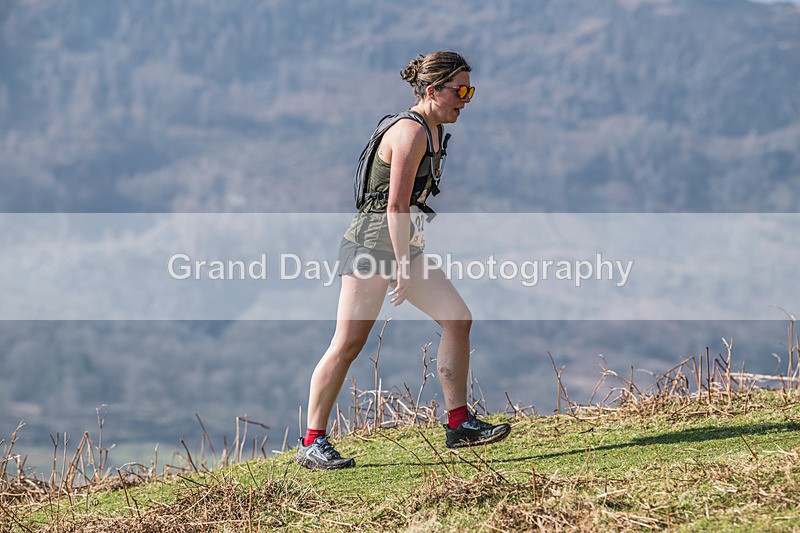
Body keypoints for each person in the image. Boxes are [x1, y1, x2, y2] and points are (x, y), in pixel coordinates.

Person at [295, 51, 511, 471]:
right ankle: (312, 443)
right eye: (460, 90)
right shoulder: (411, 133)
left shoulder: (432, 130)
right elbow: (395, 206)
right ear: (432, 91)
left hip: (400, 246)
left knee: (458, 319)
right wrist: (401, 267)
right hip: (373, 249)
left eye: (471, 90)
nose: (466, 99)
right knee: (348, 344)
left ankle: (458, 423)